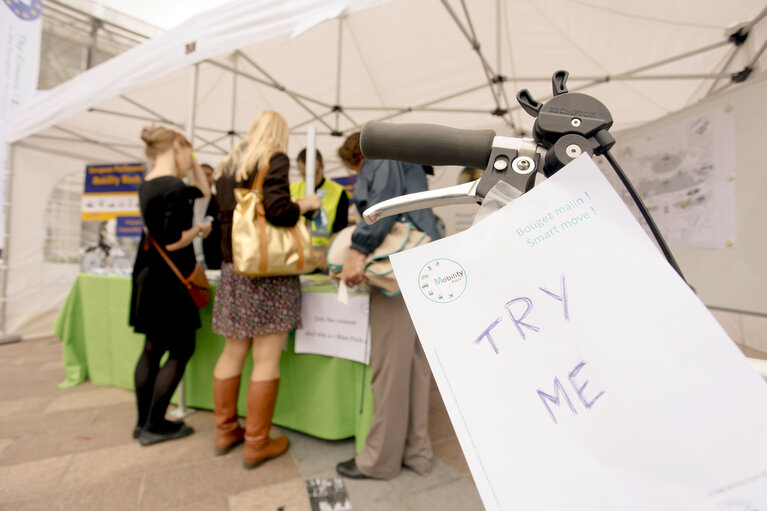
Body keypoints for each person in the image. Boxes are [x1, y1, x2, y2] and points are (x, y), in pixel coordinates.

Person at [210, 111, 321, 469]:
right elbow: (277, 210)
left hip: (234, 269)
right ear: (279, 134)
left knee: (231, 354)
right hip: (268, 272)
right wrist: (304, 205)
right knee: (266, 359)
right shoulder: (274, 159)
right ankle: (257, 443)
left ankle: (226, 431)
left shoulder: (229, 164)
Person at [335, 132, 441, 480]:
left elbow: (380, 206)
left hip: (394, 276)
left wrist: (357, 251)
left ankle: (379, 460)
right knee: (414, 366)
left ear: (357, 156)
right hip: (422, 267)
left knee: (390, 369)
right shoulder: (407, 160)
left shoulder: (379, 157)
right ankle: (417, 452)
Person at [129, 126, 212, 446]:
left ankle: (143, 423)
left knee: (152, 349)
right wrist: (199, 230)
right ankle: (155, 424)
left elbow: (203, 193)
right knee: (180, 348)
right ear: (176, 147)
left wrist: (191, 162)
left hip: (149, 275)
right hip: (171, 280)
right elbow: (173, 240)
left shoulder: (147, 183)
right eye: (187, 151)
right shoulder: (174, 186)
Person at [289, 148, 349, 271]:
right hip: (295, 260)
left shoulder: (338, 192)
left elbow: (340, 231)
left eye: (314, 173)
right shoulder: (292, 190)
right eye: (303, 174)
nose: (309, 178)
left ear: (322, 166)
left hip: (324, 262)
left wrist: (325, 253)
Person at [193, 163, 223, 269]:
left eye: (209, 175)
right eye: (202, 174)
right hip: (190, 261)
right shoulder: (187, 202)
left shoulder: (219, 202)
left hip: (212, 261)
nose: (205, 178)